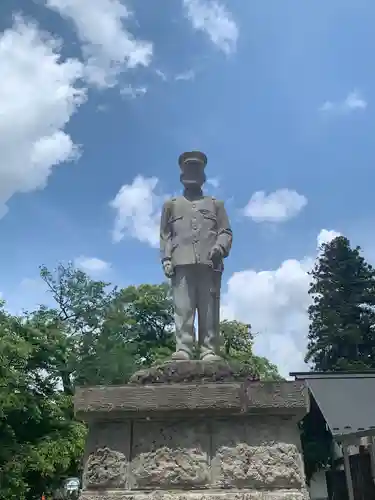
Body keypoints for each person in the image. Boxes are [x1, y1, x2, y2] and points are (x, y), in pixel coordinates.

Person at [160, 151, 232, 361]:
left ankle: (209, 349)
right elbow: (165, 234)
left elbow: (225, 231)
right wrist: (166, 259)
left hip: (209, 263)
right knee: (183, 307)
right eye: (188, 170)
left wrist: (220, 247)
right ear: (182, 175)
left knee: (209, 309)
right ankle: (184, 348)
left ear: (203, 176)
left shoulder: (215, 204)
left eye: (196, 170)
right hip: (181, 262)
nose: (192, 175)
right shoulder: (170, 205)